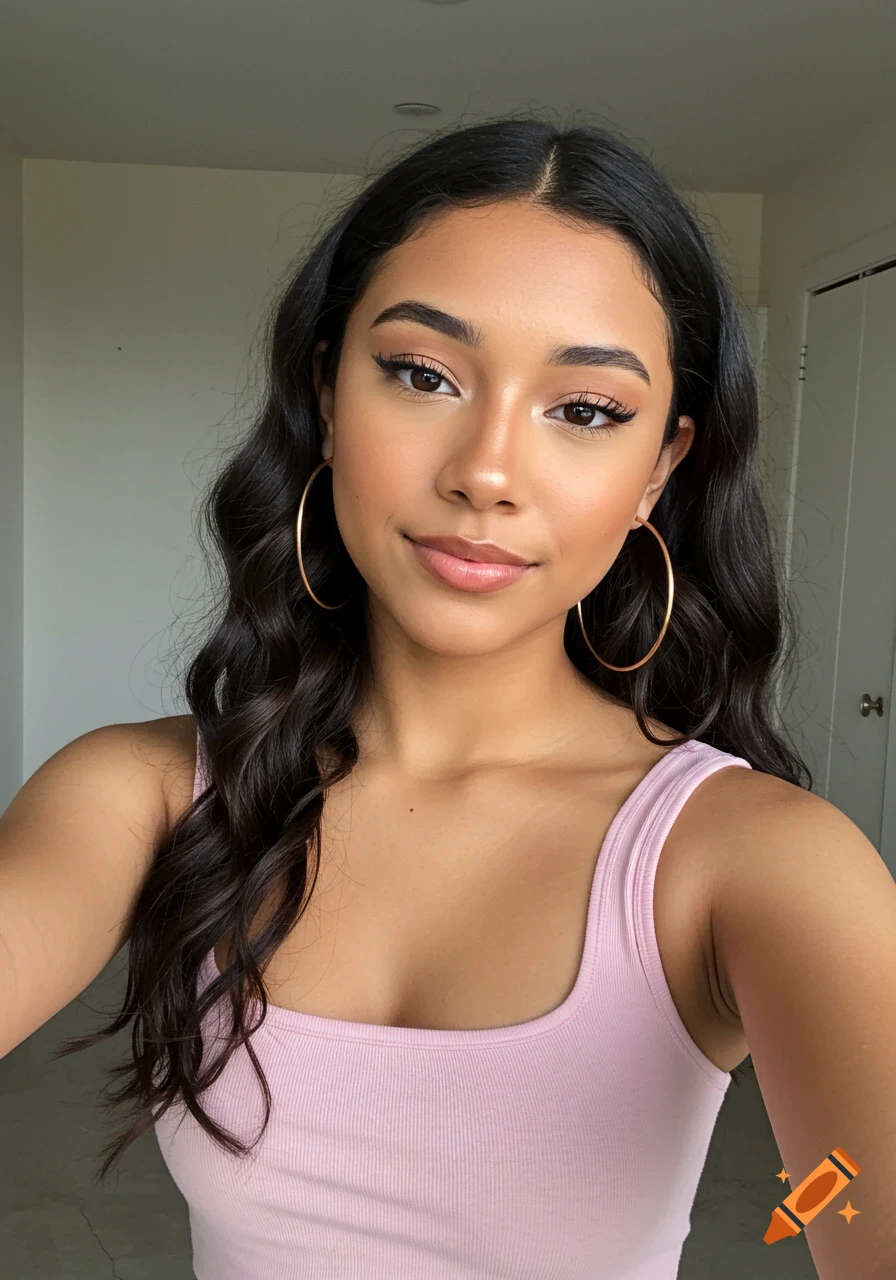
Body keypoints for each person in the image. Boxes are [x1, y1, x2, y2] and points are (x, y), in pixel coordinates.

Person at [2, 116, 894, 1280]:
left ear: (660, 468)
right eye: (421, 374)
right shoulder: (146, 794)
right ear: (327, 393)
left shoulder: (753, 863)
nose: (484, 468)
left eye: (583, 409)